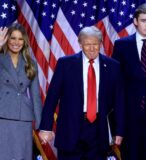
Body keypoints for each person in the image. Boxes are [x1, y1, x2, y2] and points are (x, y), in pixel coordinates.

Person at [39, 26, 125, 160]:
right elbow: (52, 98)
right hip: (70, 128)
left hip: (98, 130)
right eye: (87, 44)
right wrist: (45, 127)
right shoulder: (65, 64)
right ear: (80, 44)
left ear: (101, 44)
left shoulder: (113, 66)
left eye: (95, 44)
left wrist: (118, 131)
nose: (92, 48)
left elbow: (119, 101)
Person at [112, 3, 146, 160]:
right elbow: (116, 82)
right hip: (129, 117)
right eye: (144, 20)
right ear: (135, 21)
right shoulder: (122, 45)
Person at [0, 23, 42, 160]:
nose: (16, 42)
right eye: (13, 38)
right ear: (7, 39)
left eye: (20, 39)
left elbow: (36, 96)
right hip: (2, 115)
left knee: (21, 156)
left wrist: (41, 126)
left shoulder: (31, 63)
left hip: (23, 118)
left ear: (24, 42)